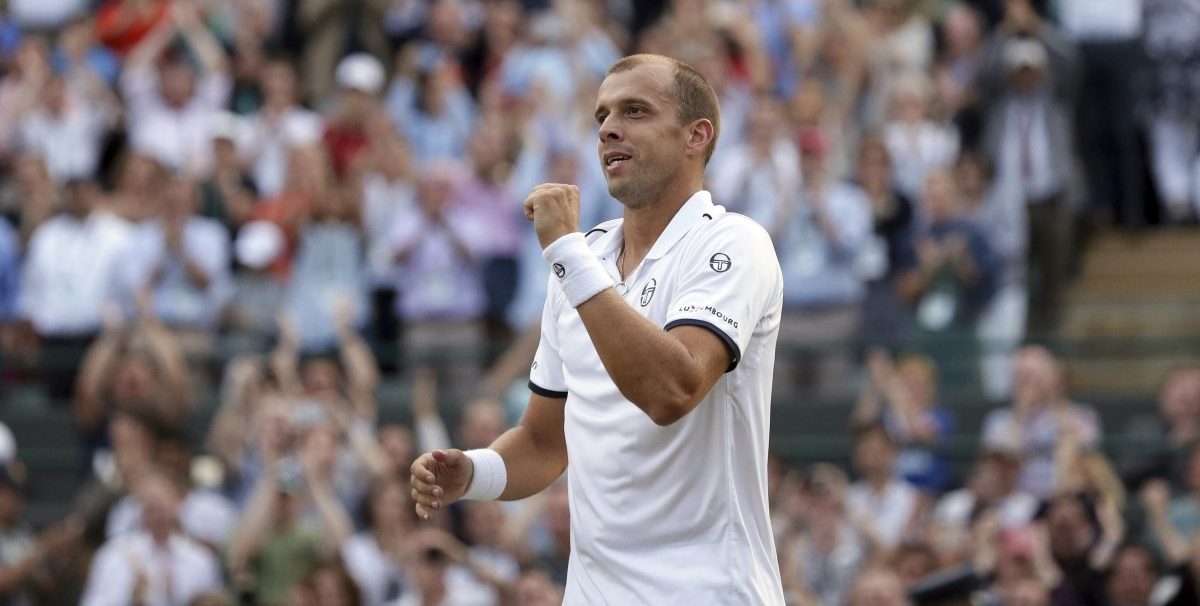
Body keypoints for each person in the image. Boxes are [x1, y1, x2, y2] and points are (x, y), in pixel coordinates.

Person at [411, 54, 786, 604]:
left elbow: (671, 390)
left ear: (696, 136)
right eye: (602, 116)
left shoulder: (734, 242)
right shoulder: (580, 259)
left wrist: (567, 253)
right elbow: (543, 442)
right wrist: (472, 472)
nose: (608, 128)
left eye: (635, 111)